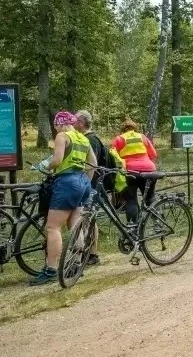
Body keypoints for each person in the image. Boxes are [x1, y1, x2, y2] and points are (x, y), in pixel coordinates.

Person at [29, 111, 97, 286]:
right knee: (75, 226)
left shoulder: (62, 136)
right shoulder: (83, 138)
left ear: (60, 123)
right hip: (82, 182)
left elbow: (57, 160)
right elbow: (93, 164)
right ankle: (76, 265)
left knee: (53, 227)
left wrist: (43, 167)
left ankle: (51, 269)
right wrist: (86, 183)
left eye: (55, 125)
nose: (55, 128)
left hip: (66, 182)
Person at [73, 110, 107, 266]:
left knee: (89, 218)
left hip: (91, 184)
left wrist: (86, 184)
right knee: (90, 218)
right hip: (91, 183)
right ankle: (91, 253)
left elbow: (91, 165)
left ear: (81, 123)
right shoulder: (89, 138)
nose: (73, 124)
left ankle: (92, 254)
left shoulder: (90, 140)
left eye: (75, 121)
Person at [111, 119, 158, 228]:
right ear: (135, 128)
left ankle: (133, 228)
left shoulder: (119, 139)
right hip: (149, 170)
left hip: (130, 172)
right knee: (150, 198)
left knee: (131, 200)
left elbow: (113, 156)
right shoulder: (142, 137)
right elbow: (153, 154)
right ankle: (158, 224)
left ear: (123, 130)